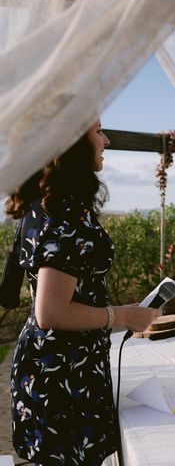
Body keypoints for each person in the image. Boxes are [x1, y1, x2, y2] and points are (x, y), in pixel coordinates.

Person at [7, 119, 160, 465]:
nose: (105, 140)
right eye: (97, 132)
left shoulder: (47, 201)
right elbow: (51, 312)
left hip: (61, 368)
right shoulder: (64, 212)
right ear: (73, 142)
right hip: (61, 379)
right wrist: (123, 316)